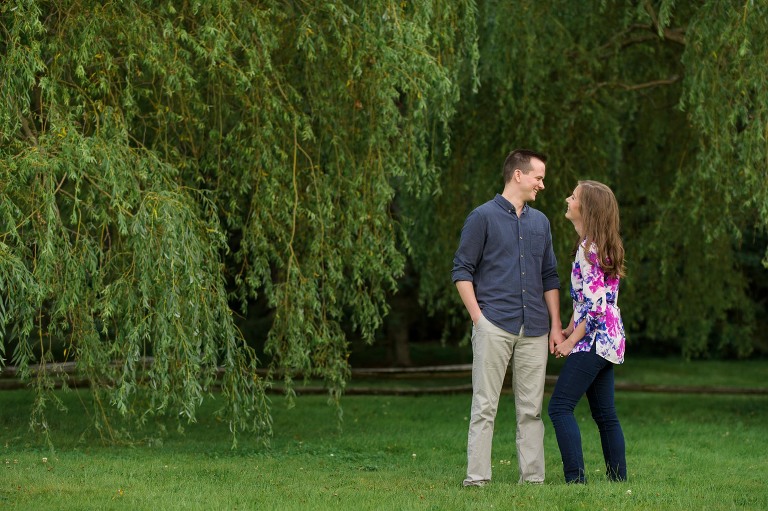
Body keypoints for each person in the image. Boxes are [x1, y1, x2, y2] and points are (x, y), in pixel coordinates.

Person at [452, 148, 564, 486]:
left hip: (535, 330)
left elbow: (550, 276)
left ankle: (532, 481)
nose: (541, 185)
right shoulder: (482, 217)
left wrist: (555, 325)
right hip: (494, 324)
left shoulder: (541, 222)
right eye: (538, 177)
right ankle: (477, 480)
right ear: (518, 175)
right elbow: (462, 270)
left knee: (531, 410)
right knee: (485, 406)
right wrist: (478, 319)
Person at [548, 180, 627, 484]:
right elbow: (589, 298)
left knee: (559, 408)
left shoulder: (588, 249)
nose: (568, 199)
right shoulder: (600, 245)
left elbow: (593, 308)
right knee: (605, 415)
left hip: (594, 338)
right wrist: (568, 325)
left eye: (574, 197)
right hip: (610, 338)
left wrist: (569, 341)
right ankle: (618, 482)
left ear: (587, 208)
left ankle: (575, 481)